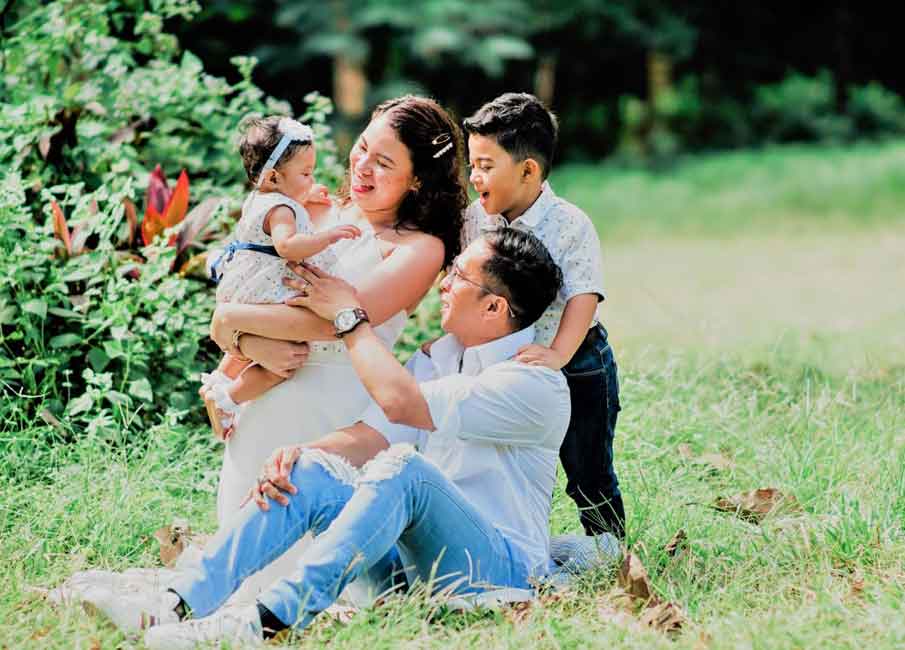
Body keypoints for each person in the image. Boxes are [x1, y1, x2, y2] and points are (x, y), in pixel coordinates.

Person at [80, 229, 571, 647]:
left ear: (494, 307)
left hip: (495, 573)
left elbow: (403, 407)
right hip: (411, 570)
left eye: (459, 276)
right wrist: (300, 455)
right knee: (312, 467)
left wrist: (349, 317)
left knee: (408, 469)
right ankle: (175, 605)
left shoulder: (533, 383)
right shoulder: (439, 358)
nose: (444, 282)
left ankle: (265, 621)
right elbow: (373, 433)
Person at [207, 96, 467, 598]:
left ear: (417, 181)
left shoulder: (418, 249)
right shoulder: (312, 212)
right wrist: (225, 375)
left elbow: (328, 324)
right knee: (240, 560)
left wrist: (228, 320)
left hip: (333, 414)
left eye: (384, 162)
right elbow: (265, 284)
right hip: (262, 401)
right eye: (363, 148)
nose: (362, 166)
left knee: (312, 571)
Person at [460, 93, 624, 538]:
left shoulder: (569, 224)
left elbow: (583, 296)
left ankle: (608, 550)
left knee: (587, 467)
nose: (474, 177)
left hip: (578, 362)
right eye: (472, 164)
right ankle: (516, 542)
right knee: (510, 465)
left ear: (528, 170)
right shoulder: (476, 220)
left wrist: (557, 354)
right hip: (507, 364)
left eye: (486, 166)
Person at [202, 115, 362, 439]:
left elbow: (284, 207)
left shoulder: (263, 198)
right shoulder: (281, 210)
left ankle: (222, 381)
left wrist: (306, 192)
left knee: (270, 346)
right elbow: (287, 245)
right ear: (274, 177)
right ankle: (229, 398)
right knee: (288, 359)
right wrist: (328, 236)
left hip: (246, 285)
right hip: (267, 288)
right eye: (306, 173)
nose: (311, 178)